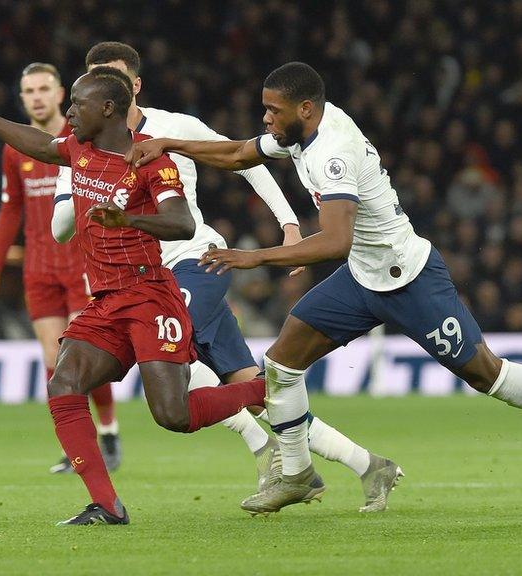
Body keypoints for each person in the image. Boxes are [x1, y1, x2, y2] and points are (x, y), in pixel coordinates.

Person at [127, 62, 522, 515]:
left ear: (305, 109)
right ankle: (297, 474)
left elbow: (333, 240)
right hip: (361, 277)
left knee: (489, 375)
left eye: (271, 110)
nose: (264, 118)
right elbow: (240, 154)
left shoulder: (333, 151)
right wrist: (168, 144)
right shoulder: (302, 129)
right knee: (282, 364)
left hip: (406, 277)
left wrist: (253, 257)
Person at [63, 42, 400, 512]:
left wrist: (287, 225)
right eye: (95, 77)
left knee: (165, 364)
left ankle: (264, 451)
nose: (104, 88)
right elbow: (64, 221)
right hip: (144, 278)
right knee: (248, 382)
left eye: (114, 78)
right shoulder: (82, 145)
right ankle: (369, 465)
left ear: (132, 86)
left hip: (193, 262)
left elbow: (248, 161)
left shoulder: (174, 128)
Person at [0, 67, 267, 525]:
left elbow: (182, 223)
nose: (68, 112)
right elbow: (38, 144)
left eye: (77, 104)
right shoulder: (79, 150)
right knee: (63, 384)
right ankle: (106, 504)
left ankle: (268, 387)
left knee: (174, 415)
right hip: (106, 301)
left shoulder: (150, 161)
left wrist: (128, 221)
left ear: (107, 108)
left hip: (150, 296)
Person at [0, 62, 121, 473]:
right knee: (55, 362)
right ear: (22, 98)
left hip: (80, 264)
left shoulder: (80, 140)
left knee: (82, 355)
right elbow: (10, 208)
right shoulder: (14, 146)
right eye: (28, 91)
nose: (36, 96)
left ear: (59, 95)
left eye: (43, 89)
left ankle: (108, 432)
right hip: (38, 268)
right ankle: (80, 447)